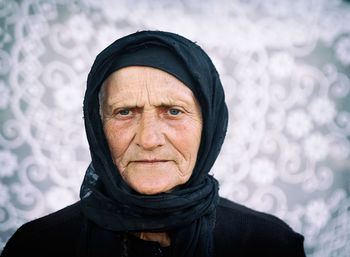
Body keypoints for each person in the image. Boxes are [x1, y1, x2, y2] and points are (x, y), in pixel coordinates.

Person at [1, 30, 306, 257]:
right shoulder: (37, 247)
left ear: (209, 125)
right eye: (124, 112)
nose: (148, 139)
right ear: (97, 125)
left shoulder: (269, 245)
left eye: (173, 111)